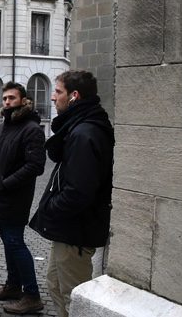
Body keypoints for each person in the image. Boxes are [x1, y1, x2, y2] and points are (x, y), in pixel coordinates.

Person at [29, 70, 114, 317]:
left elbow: (78, 191)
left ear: (74, 96)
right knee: (55, 286)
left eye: (57, 91)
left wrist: (50, 208)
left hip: (76, 231)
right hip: (68, 230)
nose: (53, 98)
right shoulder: (78, 128)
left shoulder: (84, 133)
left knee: (74, 296)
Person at [0, 82, 46, 314]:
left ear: (23, 100)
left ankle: (32, 295)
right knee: (9, 242)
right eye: (5, 98)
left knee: (15, 242)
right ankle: (13, 286)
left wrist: (6, 183)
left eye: (12, 98)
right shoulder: (4, 126)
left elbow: (36, 166)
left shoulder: (31, 129)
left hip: (15, 197)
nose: (7, 102)